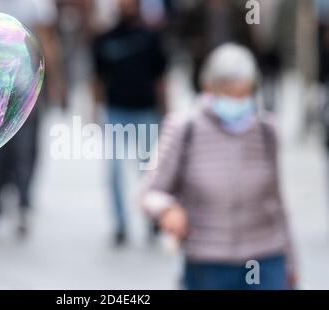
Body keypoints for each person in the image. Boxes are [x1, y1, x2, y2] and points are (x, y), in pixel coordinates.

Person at [141, 44, 296, 290]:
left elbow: (277, 201)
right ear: (209, 88)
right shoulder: (184, 129)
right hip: (208, 262)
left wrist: (291, 263)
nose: (237, 101)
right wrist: (167, 209)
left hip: (265, 259)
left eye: (243, 93)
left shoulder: (266, 131)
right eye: (229, 93)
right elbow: (150, 192)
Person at [0, 0, 65, 237]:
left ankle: (22, 202)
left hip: (25, 86)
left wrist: (56, 82)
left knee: (23, 148)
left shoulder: (36, 4)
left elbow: (46, 41)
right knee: (1, 148)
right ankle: (1, 200)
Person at [92, 0, 167, 245]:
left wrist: (166, 111)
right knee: (114, 170)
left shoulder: (151, 37)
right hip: (116, 112)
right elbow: (97, 78)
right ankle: (120, 223)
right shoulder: (105, 38)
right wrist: (94, 109)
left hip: (145, 111)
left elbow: (160, 78)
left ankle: (152, 216)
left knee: (148, 171)